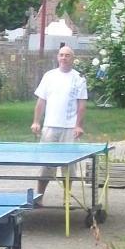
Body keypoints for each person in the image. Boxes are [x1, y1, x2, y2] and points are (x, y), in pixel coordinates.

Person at [30, 44, 88, 197]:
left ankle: (67, 199)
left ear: (72, 59)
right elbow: (41, 101)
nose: (64, 58)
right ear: (57, 57)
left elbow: (81, 105)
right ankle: (39, 197)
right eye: (61, 55)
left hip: (70, 129)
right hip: (50, 127)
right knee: (46, 165)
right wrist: (36, 121)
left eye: (67, 55)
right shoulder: (49, 76)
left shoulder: (79, 78)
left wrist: (79, 126)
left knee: (69, 165)